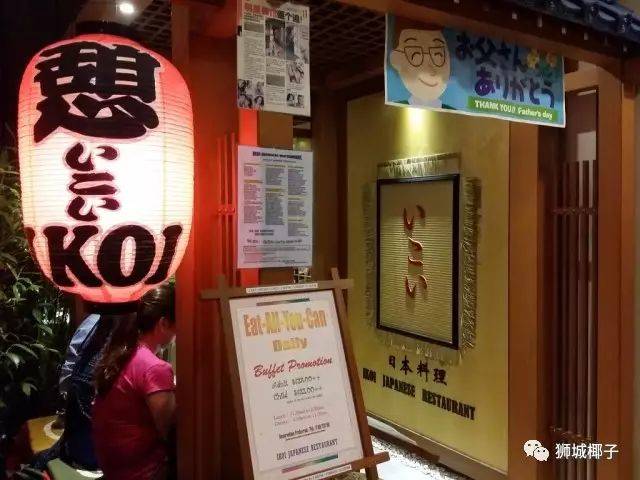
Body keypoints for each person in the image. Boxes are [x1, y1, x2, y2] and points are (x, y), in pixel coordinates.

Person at [92, 285, 177, 480]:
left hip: (113, 470)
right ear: (163, 323)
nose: (176, 334)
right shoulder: (155, 368)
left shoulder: (121, 352)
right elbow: (170, 433)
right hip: (143, 472)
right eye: (176, 326)